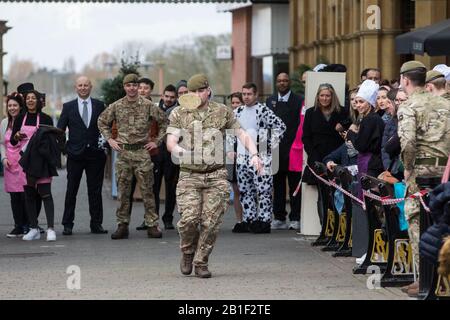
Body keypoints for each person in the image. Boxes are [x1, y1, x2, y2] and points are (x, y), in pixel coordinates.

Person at [166, 73, 262, 278]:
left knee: (211, 222)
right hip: (189, 175)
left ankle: (201, 262)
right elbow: (171, 141)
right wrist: (179, 151)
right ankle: (187, 252)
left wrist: (254, 154)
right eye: (194, 91)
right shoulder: (178, 113)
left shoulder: (222, 111)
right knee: (189, 219)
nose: (198, 94)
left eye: (202, 90)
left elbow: (242, 134)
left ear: (208, 90)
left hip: (216, 175)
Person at [397, 61, 450, 297]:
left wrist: (407, 167)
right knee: (442, 220)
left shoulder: (409, 106)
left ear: (405, 80)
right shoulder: (445, 104)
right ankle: (439, 277)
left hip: (421, 173)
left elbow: (407, 141)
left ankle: (425, 280)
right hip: (445, 171)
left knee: (416, 221)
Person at [98, 73, 167, 240]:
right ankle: (122, 225)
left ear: (138, 86)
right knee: (123, 192)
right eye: (128, 85)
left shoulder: (148, 105)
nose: (132, 88)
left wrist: (156, 142)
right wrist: (110, 139)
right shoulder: (116, 106)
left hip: (142, 152)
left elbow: (164, 122)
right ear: (124, 87)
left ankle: (152, 224)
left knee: (148, 191)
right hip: (123, 154)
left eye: (134, 85)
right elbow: (101, 121)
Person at [11, 90, 63, 241]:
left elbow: (52, 140)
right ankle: (33, 228)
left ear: (39, 101)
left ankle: (51, 229)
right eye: (28, 98)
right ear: (25, 101)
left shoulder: (46, 118)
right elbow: (14, 141)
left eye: (33, 98)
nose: (30, 100)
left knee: (46, 194)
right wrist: (16, 136)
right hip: (26, 161)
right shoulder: (20, 118)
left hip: (42, 161)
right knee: (29, 195)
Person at [58, 76, 107, 235]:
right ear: (76, 88)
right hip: (75, 155)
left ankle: (96, 224)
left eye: (86, 85)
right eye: (80, 85)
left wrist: (104, 144)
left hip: (95, 155)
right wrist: (65, 149)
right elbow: (59, 131)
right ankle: (67, 224)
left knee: (95, 191)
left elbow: (106, 128)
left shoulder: (100, 106)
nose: (83, 87)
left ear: (91, 87)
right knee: (71, 190)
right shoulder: (68, 107)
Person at [233, 83, 286, 233]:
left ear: (256, 95)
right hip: (242, 158)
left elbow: (280, 126)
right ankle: (249, 219)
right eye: (244, 94)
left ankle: (264, 221)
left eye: (249, 94)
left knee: (263, 191)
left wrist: (268, 144)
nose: (246, 97)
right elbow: (231, 131)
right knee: (245, 190)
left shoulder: (263, 110)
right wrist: (232, 149)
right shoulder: (237, 112)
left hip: (261, 157)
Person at [302, 83, 349, 223]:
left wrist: (342, 128)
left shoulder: (342, 112)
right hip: (317, 158)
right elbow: (306, 137)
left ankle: (339, 229)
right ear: (318, 97)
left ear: (332, 96)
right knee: (322, 195)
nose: (324, 98)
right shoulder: (311, 112)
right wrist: (314, 157)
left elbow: (348, 134)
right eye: (322, 95)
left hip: (336, 159)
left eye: (327, 95)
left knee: (338, 194)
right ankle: (325, 228)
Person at [266, 72, 303, 230]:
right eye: (279, 80)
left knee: (295, 184)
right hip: (276, 150)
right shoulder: (270, 100)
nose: (282, 83)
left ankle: (295, 218)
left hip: (294, 149)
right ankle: (279, 217)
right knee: (278, 185)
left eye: (285, 81)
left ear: (289, 83)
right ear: (276, 83)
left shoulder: (299, 101)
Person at [1, 93, 28, 237]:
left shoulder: (25, 121)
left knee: (25, 195)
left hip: (23, 162)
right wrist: (3, 158)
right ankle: (17, 225)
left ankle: (28, 224)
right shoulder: (4, 123)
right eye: (10, 105)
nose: (12, 108)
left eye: (15, 105)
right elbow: (1, 143)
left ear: (20, 107)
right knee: (14, 197)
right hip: (10, 164)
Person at [346, 80, 385, 179]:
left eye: (361, 102)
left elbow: (361, 145)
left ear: (369, 103)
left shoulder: (369, 119)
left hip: (370, 162)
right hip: (374, 161)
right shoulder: (373, 118)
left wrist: (350, 133)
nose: (358, 105)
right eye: (356, 102)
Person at [227, 92, 244, 232]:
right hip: (232, 159)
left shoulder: (247, 118)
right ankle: (239, 220)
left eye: (238, 102)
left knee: (248, 191)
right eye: (233, 103)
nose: (235, 105)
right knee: (236, 190)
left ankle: (250, 218)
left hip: (246, 158)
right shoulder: (228, 119)